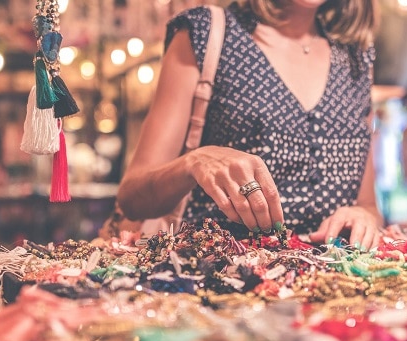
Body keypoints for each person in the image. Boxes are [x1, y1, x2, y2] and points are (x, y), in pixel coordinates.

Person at [117, 0, 383, 250]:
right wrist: (193, 162)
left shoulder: (355, 55)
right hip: (219, 282)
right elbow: (132, 198)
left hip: (335, 285)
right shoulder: (207, 32)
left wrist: (362, 216)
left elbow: (369, 206)